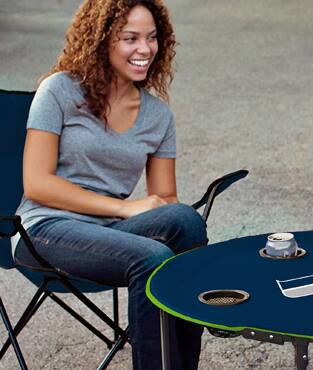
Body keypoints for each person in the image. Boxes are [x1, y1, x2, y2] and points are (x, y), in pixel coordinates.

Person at [10, 0, 207, 368]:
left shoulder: (158, 116)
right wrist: (124, 207)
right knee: (151, 258)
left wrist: (151, 212)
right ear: (102, 40)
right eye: (130, 38)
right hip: (45, 230)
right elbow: (36, 184)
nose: (144, 49)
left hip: (111, 234)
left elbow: (166, 201)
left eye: (151, 38)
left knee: (187, 221)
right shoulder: (59, 91)